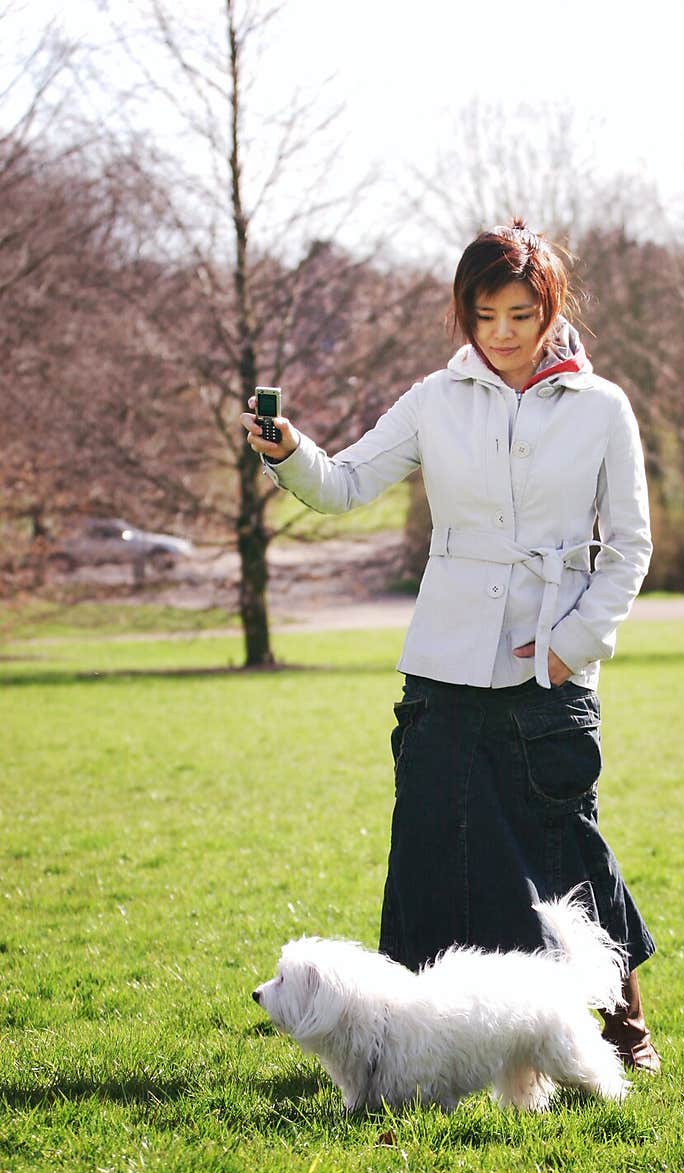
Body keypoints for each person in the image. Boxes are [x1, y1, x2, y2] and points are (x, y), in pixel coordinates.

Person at [241, 218, 661, 1074]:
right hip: (443, 665)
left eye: (519, 314)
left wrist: (571, 644)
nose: (502, 334)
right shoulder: (437, 398)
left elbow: (629, 546)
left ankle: (622, 1031)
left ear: (551, 309)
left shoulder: (602, 407)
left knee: (565, 849)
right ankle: (404, 1051)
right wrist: (290, 452)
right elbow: (347, 482)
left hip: (550, 665)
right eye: (484, 316)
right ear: (463, 317)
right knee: (436, 847)